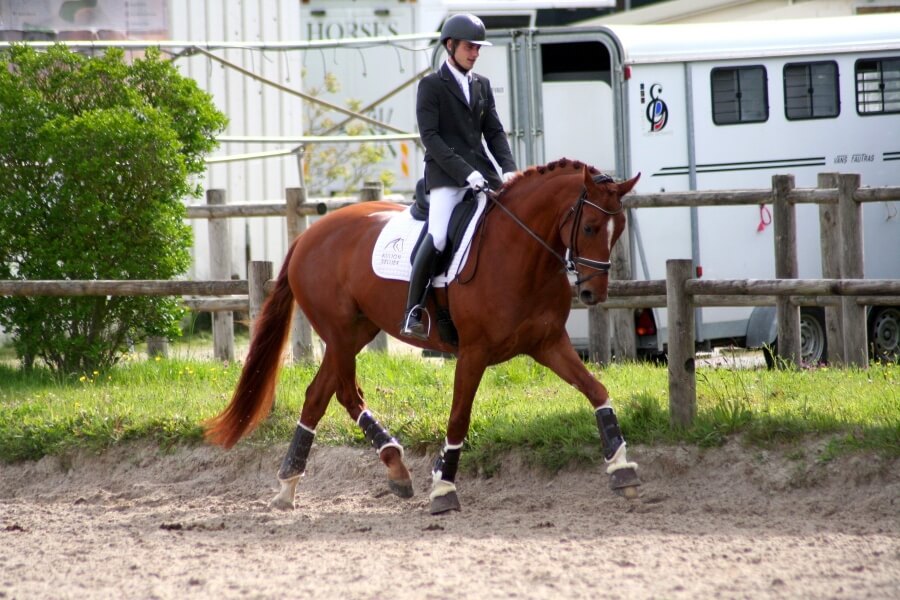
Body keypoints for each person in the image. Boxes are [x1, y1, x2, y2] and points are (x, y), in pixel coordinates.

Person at [400, 13, 518, 341]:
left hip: (484, 174)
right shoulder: (431, 86)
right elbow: (431, 138)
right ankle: (413, 310)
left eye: (478, 48)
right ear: (450, 45)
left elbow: (494, 132)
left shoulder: (481, 85)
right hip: (446, 177)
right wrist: (466, 173)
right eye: (469, 47)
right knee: (438, 236)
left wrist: (508, 168)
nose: (475, 53)